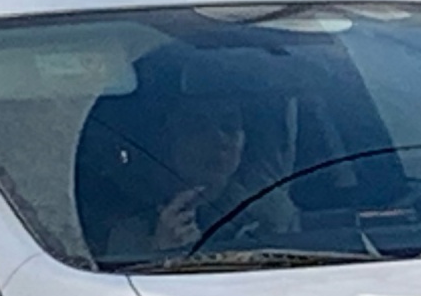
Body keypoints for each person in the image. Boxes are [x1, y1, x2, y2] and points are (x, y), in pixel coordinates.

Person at [103, 93, 295, 260]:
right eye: (198, 127)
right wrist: (161, 253)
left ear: (244, 141)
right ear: (170, 142)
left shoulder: (273, 210)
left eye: (229, 127)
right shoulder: (131, 233)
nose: (219, 139)